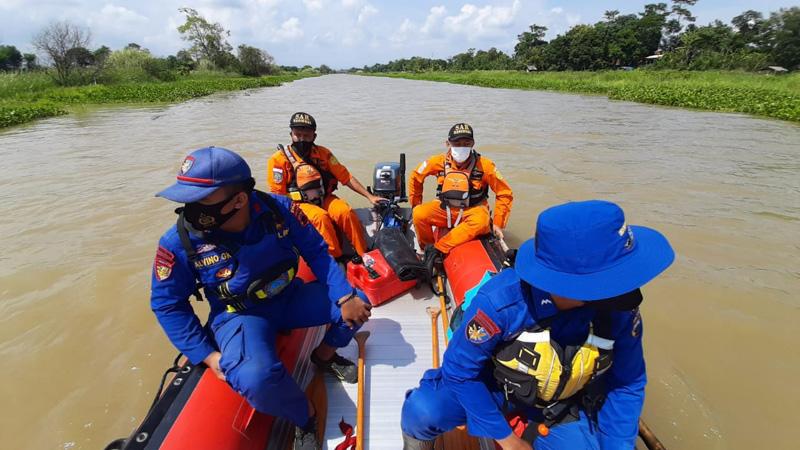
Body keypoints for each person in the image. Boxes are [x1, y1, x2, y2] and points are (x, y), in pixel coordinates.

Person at [400, 200, 675, 450]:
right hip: (497, 388)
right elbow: (459, 372)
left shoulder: (618, 309)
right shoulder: (501, 304)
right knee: (423, 411)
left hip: (563, 404)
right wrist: (508, 440)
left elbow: (628, 382)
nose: (626, 286)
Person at [150, 146, 372, 450]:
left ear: (239, 199)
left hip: (289, 296)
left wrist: (345, 295)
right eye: (186, 200)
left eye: (200, 200)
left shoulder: (279, 209)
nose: (192, 209)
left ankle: (322, 356)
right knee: (255, 379)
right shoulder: (179, 242)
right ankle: (304, 416)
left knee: (359, 302)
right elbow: (167, 304)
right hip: (239, 315)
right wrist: (206, 354)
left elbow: (317, 252)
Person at [267, 112, 385, 259]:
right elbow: (277, 195)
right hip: (298, 205)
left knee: (345, 212)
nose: (302, 139)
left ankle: (364, 255)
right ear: (291, 134)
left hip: (325, 198)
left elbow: (346, 177)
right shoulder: (279, 159)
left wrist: (370, 196)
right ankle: (334, 260)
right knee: (320, 218)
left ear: (314, 136)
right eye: (298, 135)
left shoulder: (323, 154)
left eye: (307, 136)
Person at [409, 123, 513, 262]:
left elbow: (504, 193)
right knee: (419, 214)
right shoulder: (437, 162)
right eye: (457, 143)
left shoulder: (485, 165)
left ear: (473, 143)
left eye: (466, 143)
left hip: (472, 211)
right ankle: (427, 248)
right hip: (445, 209)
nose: (461, 147)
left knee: (482, 221)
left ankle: (438, 249)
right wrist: (416, 204)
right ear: (448, 143)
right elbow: (416, 176)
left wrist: (498, 223)